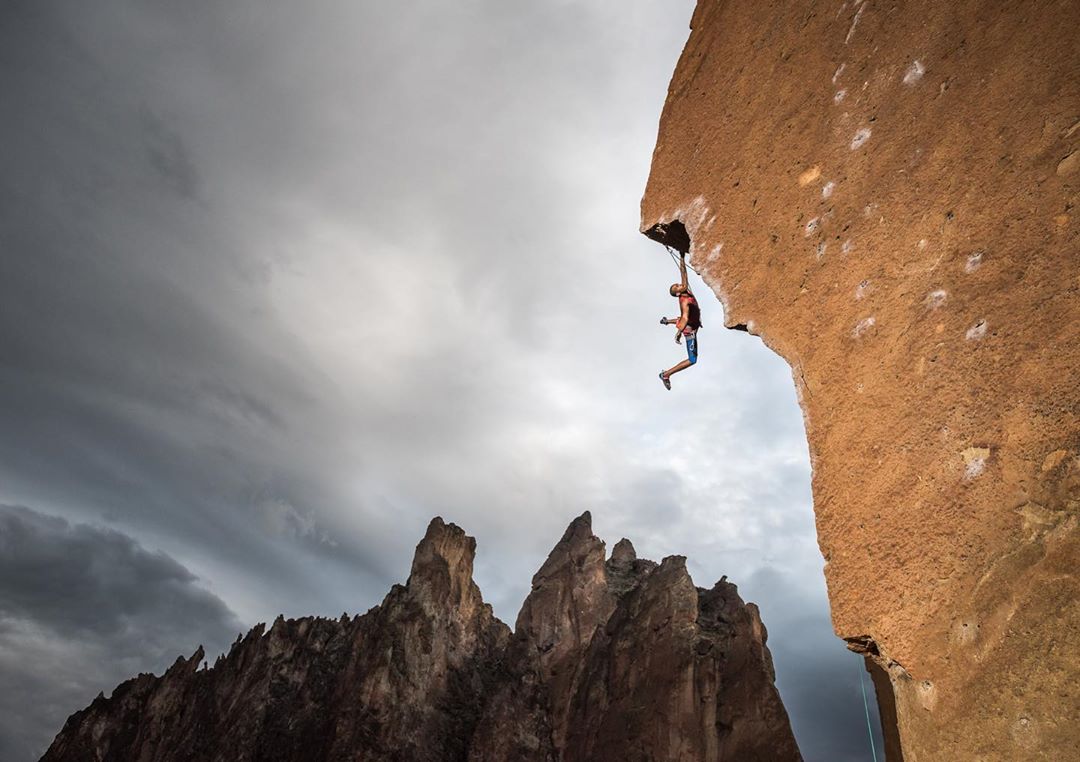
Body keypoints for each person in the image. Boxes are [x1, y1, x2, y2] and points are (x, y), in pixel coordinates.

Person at [658, 251, 701, 390]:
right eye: (676, 286)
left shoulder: (684, 290)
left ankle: (666, 321)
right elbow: (684, 318)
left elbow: (684, 274)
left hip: (691, 324)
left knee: (682, 320)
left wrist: (681, 256)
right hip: (689, 330)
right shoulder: (683, 300)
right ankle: (666, 374)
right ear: (677, 293)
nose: (678, 284)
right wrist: (678, 333)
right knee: (692, 360)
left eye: (677, 284)